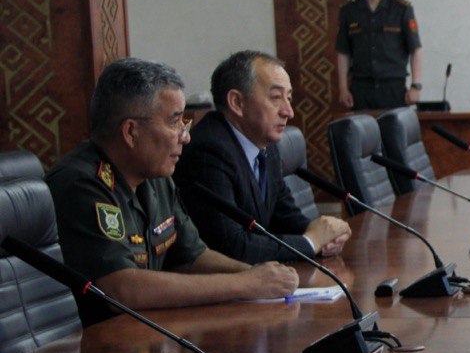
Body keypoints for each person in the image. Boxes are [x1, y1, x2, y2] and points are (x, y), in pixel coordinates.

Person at [45, 58, 298, 325]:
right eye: (175, 121)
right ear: (131, 132)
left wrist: (257, 275)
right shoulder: (81, 184)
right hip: (97, 341)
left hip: (148, 332)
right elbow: (122, 288)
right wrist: (245, 284)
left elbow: (192, 257)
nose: (185, 136)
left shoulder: (155, 176)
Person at [174, 51, 351, 264]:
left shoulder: (266, 146)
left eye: (289, 98)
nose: (289, 112)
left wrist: (326, 234)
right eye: (276, 98)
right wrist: (311, 242)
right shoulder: (208, 151)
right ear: (237, 102)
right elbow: (230, 246)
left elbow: (284, 216)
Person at [336, 0, 423, 109]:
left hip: (394, 89)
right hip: (361, 89)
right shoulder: (349, 11)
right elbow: (343, 52)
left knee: (394, 126)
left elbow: (415, 49)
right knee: (362, 126)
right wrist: (343, 88)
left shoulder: (401, 9)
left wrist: (415, 86)